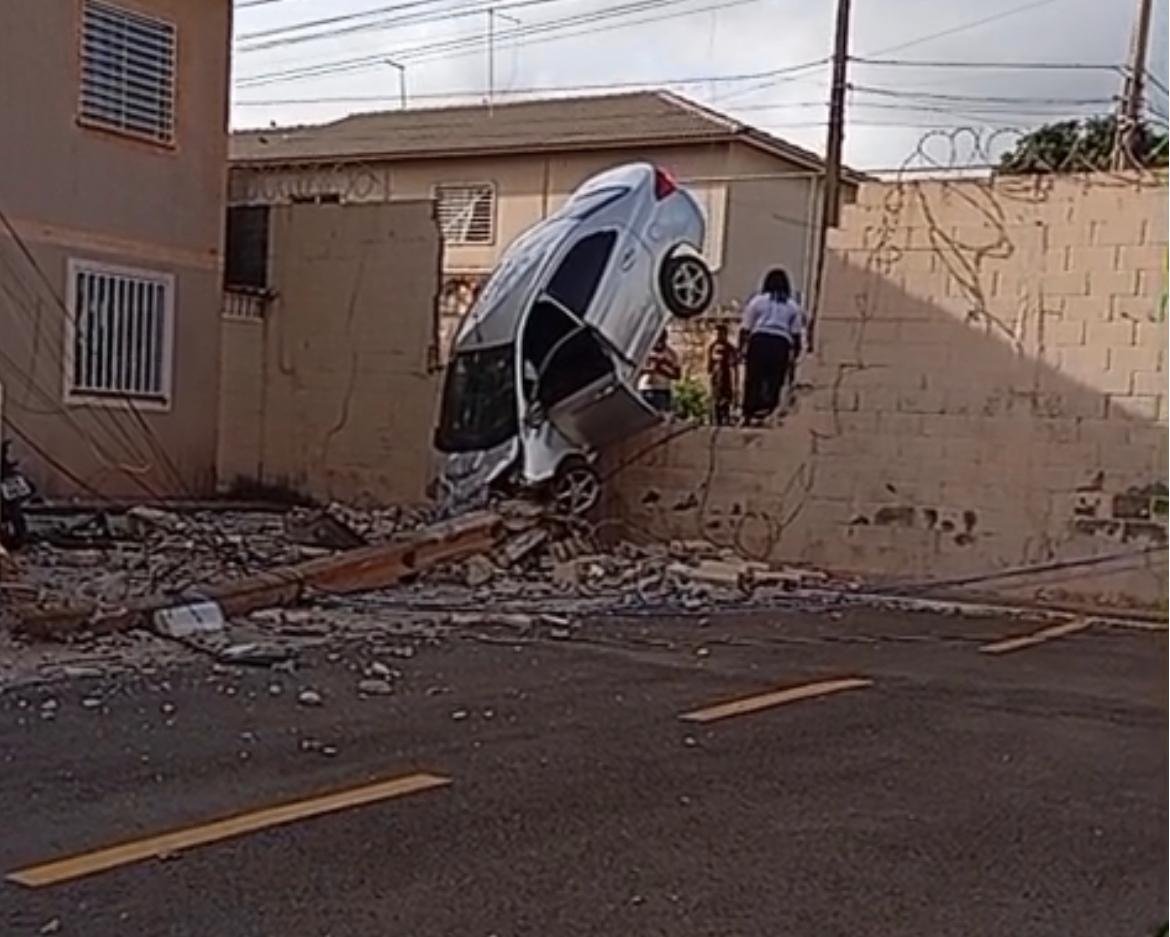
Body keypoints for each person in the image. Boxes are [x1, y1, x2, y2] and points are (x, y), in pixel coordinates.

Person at [739, 268, 804, 424]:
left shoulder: (758, 301)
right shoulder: (792, 306)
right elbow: (796, 334)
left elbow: (746, 327)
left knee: (754, 377)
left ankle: (749, 412)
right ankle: (768, 410)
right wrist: (795, 353)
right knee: (775, 379)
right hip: (780, 343)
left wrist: (741, 349)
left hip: (759, 340)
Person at [705, 323, 739, 425]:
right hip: (716, 379)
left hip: (727, 379)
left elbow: (734, 366)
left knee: (726, 402)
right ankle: (715, 421)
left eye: (721, 333)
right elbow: (709, 367)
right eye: (717, 334)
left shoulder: (730, 348)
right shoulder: (712, 347)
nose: (719, 336)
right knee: (715, 402)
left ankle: (726, 421)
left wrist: (736, 383)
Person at [638, 332, 681, 412]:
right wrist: (651, 368)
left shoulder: (671, 354)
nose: (659, 341)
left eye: (661, 338)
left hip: (662, 390)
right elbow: (637, 369)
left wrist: (662, 368)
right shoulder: (644, 350)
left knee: (660, 416)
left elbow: (677, 375)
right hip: (645, 389)